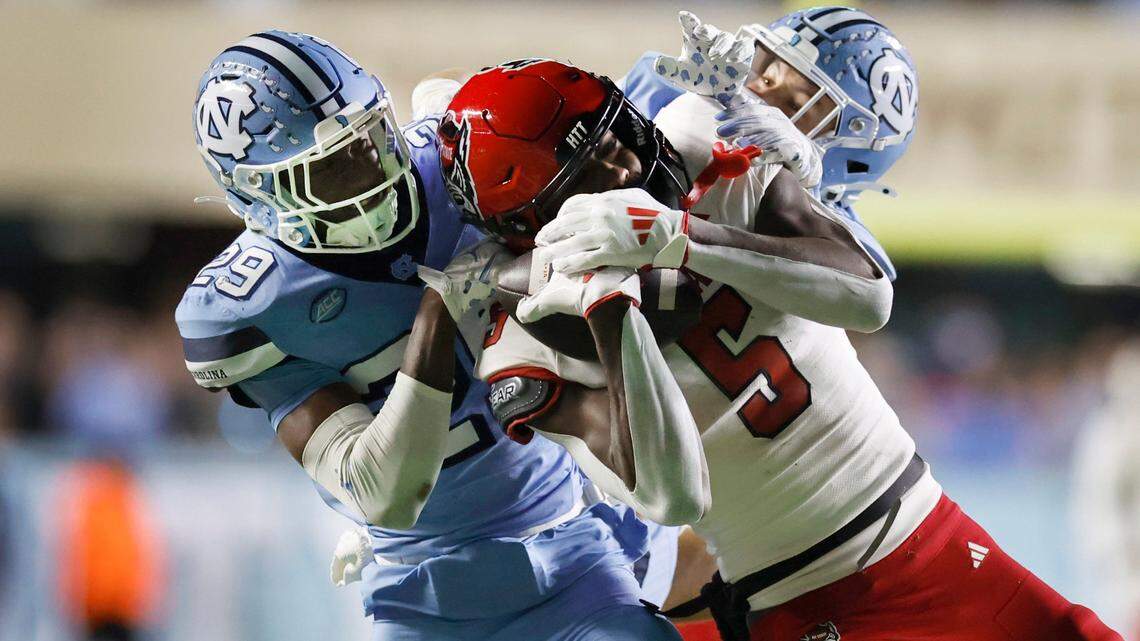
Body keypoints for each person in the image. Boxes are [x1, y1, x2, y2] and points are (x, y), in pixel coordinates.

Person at [440, 37, 1120, 641]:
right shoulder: (523, 343)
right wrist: (611, 313)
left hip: (924, 526)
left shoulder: (703, 146)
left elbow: (867, 291)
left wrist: (686, 237)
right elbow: (673, 494)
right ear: (529, 225)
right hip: (793, 599)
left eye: (616, 136)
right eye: (585, 176)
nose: (624, 171)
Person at [175, 31, 686, 641]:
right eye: (329, 170)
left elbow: (615, 151)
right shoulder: (253, 307)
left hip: (575, 540)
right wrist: (437, 315)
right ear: (261, 198)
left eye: (368, 139)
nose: (369, 172)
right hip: (425, 590)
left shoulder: (455, 158)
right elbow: (383, 492)